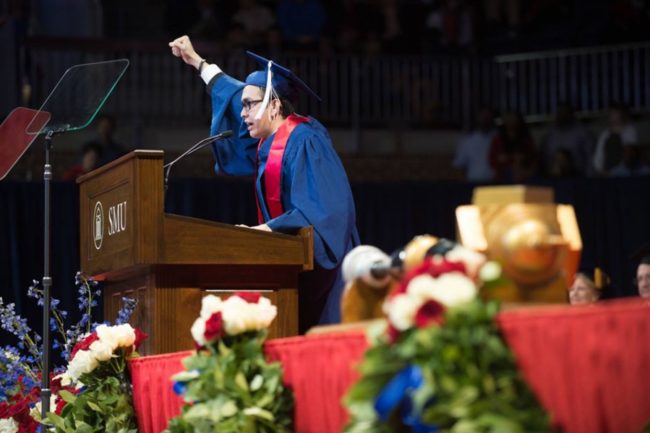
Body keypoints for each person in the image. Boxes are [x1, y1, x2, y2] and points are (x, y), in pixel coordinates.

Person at [168, 35, 359, 331]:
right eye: (242, 107)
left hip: (326, 282)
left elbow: (324, 212)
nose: (241, 114)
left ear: (273, 105)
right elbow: (233, 96)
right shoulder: (269, 144)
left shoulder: (306, 141)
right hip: (294, 269)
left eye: (249, 106)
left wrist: (265, 230)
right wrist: (198, 62)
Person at [453, 107, 496, 182]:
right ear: (477, 118)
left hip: (496, 184)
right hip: (473, 183)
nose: (485, 120)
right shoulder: (467, 140)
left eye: (488, 117)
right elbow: (460, 165)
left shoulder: (498, 138)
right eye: (483, 117)